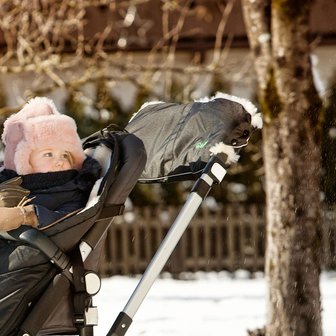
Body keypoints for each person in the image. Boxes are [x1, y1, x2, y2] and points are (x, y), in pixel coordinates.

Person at [0, 97, 101, 232]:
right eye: (48, 154)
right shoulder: (9, 184)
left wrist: (28, 215)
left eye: (65, 155)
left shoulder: (72, 190)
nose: (60, 161)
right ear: (24, 161)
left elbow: (68, 223)